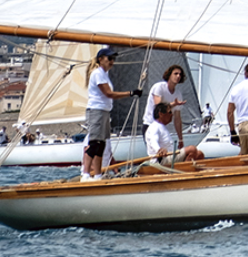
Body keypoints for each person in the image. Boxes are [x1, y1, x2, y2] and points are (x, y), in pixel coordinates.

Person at [82, 47, 135, 181]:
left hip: (104, 111)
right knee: (94, 143)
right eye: (109, 58)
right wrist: (130, 93)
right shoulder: (98, 73)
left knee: (101, 144)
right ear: (101, 59)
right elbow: (108, 93)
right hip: (96, 110)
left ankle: (98, 175)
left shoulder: (105, 74)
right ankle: (86, 174)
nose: (112, 61)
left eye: (113, 59)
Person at [145, 101, 205, 167]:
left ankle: (187, 169)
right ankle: (184, 170)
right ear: (161, 114)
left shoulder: (161, 126)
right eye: (169, 112)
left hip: (171, 156)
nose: (172, 114)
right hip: (161, 160)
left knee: (200, 154)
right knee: (192, 149)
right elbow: (153, 140)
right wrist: (159, 150)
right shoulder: (154, 126)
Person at [147, 64, 188, 142]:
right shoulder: (159, 87)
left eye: (180, 74)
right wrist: (173, 104)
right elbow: (158, 108)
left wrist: (180, 139)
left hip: (163, 129)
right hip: (150, 125)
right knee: (156, 152)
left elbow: (177, 118)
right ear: (169, 75)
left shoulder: (178, 94)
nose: (178, 76)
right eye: (175, 73)